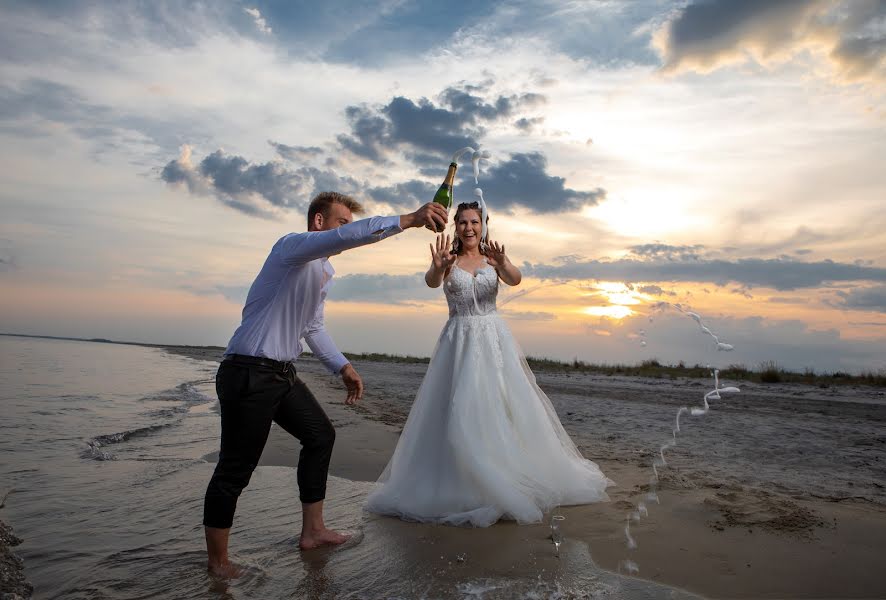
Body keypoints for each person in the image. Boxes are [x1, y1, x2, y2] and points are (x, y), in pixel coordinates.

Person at [203, 192, 448, 577]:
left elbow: (313, 326)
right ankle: (218, 564)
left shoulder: (322, 272)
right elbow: (349, 239)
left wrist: (343, 367)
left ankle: (313, 531)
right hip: (248, 371)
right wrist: (409, 219)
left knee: (320, 435)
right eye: (341, 221)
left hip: (281, 374)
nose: (346, 230)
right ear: (318, 222)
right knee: (235, 468)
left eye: (349, 223)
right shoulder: (291, 248)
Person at [365, 201, 612, 527]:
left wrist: (504, 262)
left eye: (474, 222)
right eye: (463, 222)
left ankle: (507, 474)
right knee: (458, 406)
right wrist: (438, 266)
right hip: (458, 340)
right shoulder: (449, 259)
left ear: (483, 226)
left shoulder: (491, 258)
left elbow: (516, 279)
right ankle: (461, 480)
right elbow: (431, 281)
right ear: (455, 225)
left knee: (500, 404)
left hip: (493, 340)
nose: (469, 228)